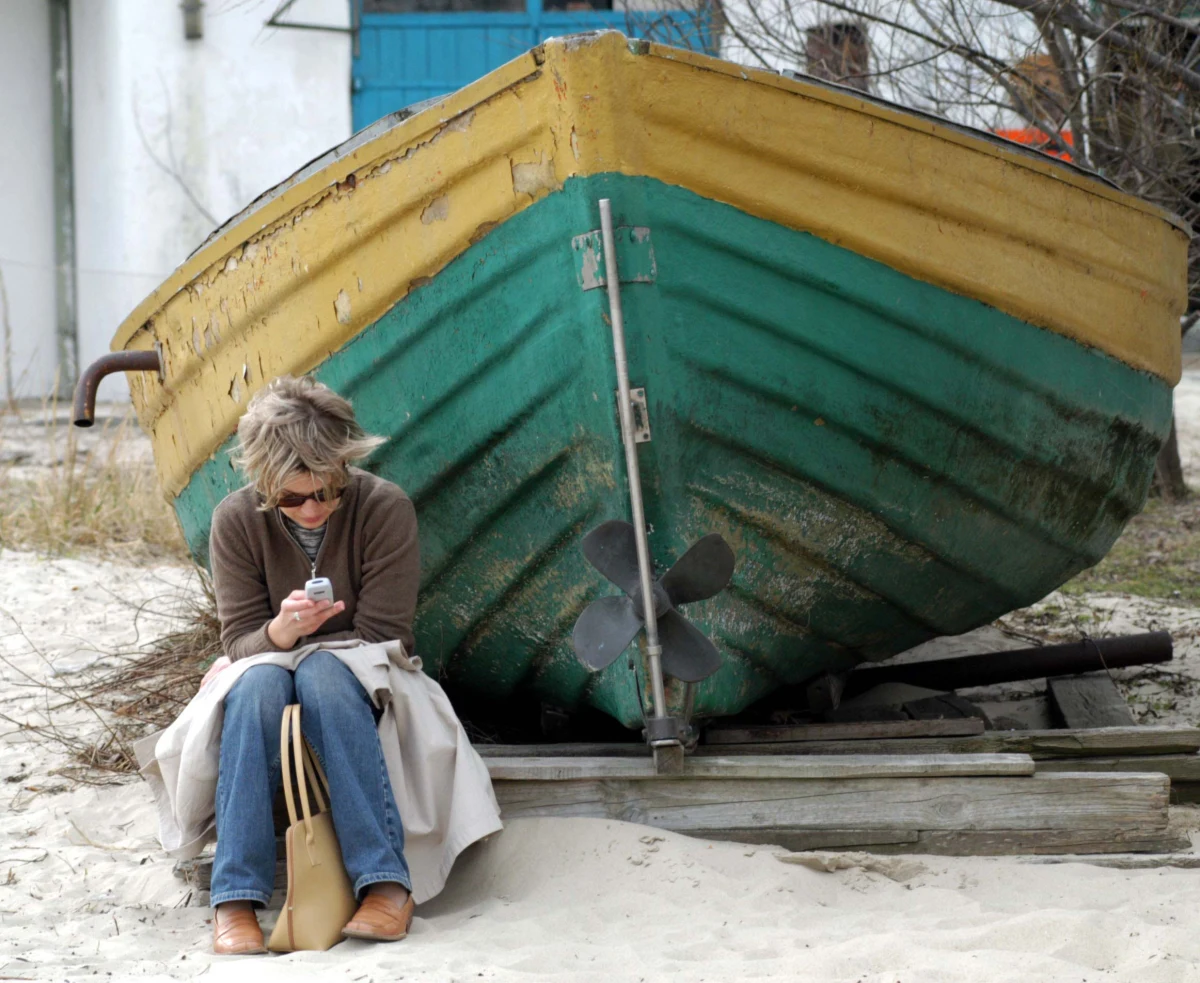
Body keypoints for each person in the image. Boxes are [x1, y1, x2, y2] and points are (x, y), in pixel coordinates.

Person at [203, 375, 420, 956]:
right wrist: (282, 631)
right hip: (271, 665)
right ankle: (235, 897)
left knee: (321, 675)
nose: (315, 509)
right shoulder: (235, 519)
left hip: (363, 670)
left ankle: (386, 885)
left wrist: (308, 646)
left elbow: (386, 635)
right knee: (258, 687)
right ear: (264, 484)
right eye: (293, 499)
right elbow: (239, 642)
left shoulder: (383, 507)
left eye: (329, 492)